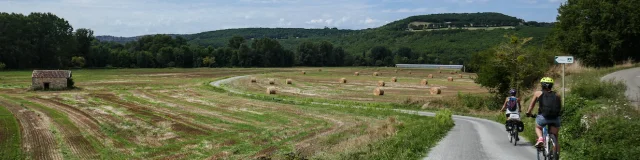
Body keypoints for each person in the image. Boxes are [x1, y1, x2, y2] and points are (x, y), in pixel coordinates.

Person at [526, 77, 562, 149]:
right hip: (555, 119)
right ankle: (555, 154)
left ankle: (540, 139)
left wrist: (528, 112)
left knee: (538, 127)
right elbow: (559, 107)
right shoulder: (557, 94)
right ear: (551, 85)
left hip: (543, 118)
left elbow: (531, 106)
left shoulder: (538, 93)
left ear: (542, 85)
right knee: (556, 138)